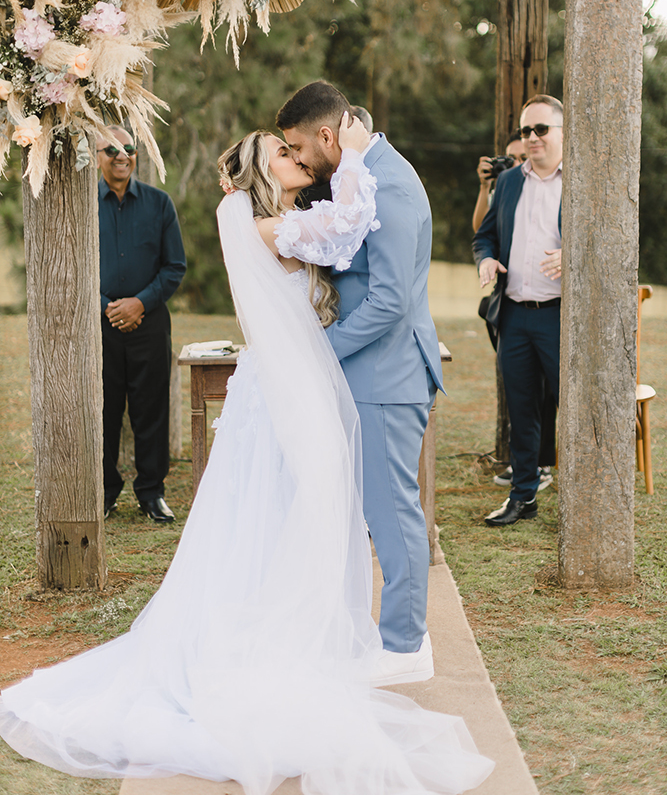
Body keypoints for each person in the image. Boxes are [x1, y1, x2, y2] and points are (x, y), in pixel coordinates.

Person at [0, 119, 494, 794]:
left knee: (294, 513)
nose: (294, 159)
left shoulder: (277, 217)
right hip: (282, 394)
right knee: (283, 513)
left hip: (287, 387)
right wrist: (352, 153)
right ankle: (273, 646)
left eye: (295, 150)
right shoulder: (265, 226)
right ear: (260, 173)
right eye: (281, 154)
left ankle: (295, 639)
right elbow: (350, 228)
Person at [277, 81, 444, 685]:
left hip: (387, 375)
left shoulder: (391, 187)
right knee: (372, 510)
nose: (299, 161)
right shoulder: (358, 178)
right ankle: (386, 637)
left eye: (299, 149)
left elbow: (390, 302)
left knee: (392, 511)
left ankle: (405, 647)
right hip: (366, 374)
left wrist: (315, 351)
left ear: (328, 135)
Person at [472, 95, 563, 527]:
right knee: (522, 409)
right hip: (514, 314)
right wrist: (486, 260)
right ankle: (523, 496)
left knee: (573, 407)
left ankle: (582, 499)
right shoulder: (509, 183)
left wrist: (573, 256)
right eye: (526, 130)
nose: (531, 138)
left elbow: (608, 241)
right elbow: (484, 236)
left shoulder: (579, 183)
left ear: (562, 132)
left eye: (540, 129)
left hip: (561, 316)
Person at [97, 127, 186, 523]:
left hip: (149, 325)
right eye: (112, 149)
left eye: (129, 149)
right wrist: (107, 308)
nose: (122, 155)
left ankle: (151, 493)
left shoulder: (159, 204)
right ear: (97, 156)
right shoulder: (83, 206)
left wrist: (139, 304)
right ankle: (103, 492)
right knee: (103, 410)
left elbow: (174, 267)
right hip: (97, 328)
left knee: (151, 410)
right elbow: (74, 269)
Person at [472, 131, 526, 234]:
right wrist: (485, 186)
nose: (517, 164)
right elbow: (481, 230)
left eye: (524, 158)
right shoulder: (502, 193)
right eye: (511, 159)